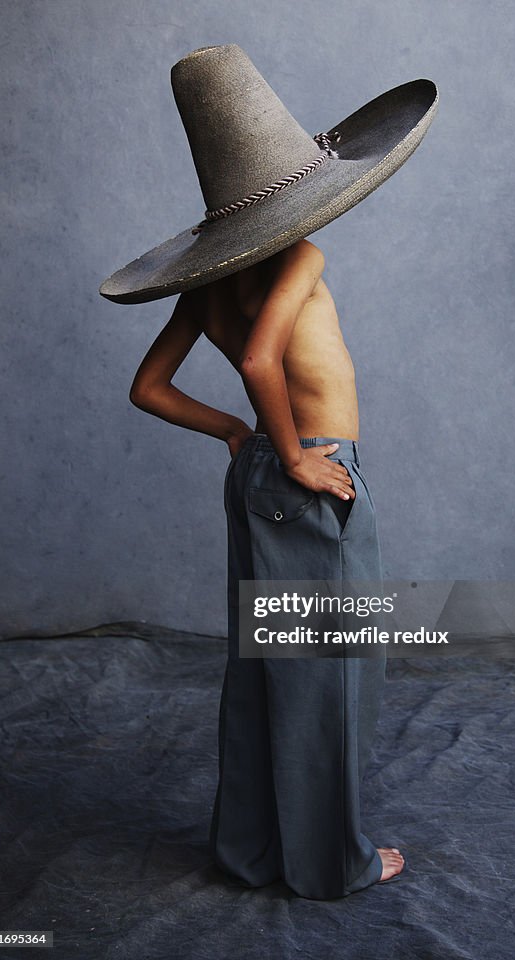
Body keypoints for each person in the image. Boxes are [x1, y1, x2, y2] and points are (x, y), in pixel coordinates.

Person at [127, 236, 405, 898]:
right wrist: (294, 456)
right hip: (304, 468)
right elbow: (260, 359)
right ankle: (330, 862)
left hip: (258, 471)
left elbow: (147, 389)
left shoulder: (205, 286)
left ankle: (251, 852)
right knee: (331, 673)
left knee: (264, 669)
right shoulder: (297, 255)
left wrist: (235, 431)